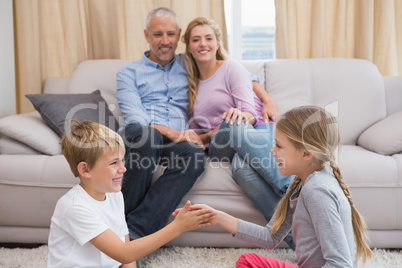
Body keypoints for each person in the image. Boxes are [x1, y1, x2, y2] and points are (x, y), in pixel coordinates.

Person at [116, 7, 272, 241]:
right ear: (147, 36)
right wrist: (179, 134)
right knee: (147, 135)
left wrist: (267, 98)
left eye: (171, 34)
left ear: (179, 35)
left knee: (195, 157)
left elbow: (241, 74)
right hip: (141, 138)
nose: (165, 41)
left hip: (173, 145)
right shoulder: (128, 73)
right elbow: (137, 121)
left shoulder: (188, 62)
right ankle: (118, 226)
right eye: (158, 34)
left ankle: (135, 232)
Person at [174, 106, 373, 267]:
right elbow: (270, 237)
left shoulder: (317, 191)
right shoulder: (302, 185)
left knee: (247, 263)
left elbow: (341, 264)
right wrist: (217, 216)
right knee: (248, 261)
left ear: (306, 154)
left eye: (278, 146)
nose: (272, 150)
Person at [181, 17, 295, 249]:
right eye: (196, 39)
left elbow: (250, 114)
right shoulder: (189, 81)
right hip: (222, 142)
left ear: (217, 42)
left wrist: (238, 116)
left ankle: (302, 245)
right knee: (233, 124)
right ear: (189, 47)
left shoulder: (231, 68)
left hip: (254, 133)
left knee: (243, 173)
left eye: (208, 38)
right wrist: (211, 132)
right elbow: (199, 132)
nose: (203, 43)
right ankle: (297, 190)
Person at [47, 120, 215, 268]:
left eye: (123, 160)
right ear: (85, 169)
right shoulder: (75, 207)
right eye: (114, 163)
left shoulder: (114, 194)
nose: (123, 169)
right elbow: (124, 253)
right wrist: (177, 227)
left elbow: (126, 251)